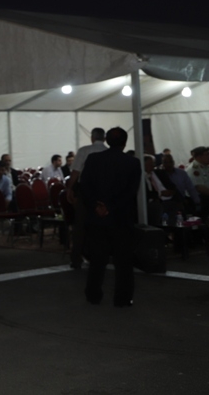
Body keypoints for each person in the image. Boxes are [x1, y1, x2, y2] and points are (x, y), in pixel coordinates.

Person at [80, 127, 141, 307]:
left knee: (97, 260)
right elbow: (130, 192)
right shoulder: (132, 162)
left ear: (107, 140)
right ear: (125, 143)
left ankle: (93, 295)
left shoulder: (93, 159)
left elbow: (85, 187)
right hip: (121, 217)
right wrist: (111, 207)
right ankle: (122, 298)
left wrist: (96, 206)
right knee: (123, 261)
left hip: (97, 218)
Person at [66, 128, 107, 269]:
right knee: (101, 226)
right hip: (104, 193)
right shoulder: (108, 152)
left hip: (85, 192)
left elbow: (75, 172)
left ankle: (76, 258)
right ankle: (100, 256)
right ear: (104, 139)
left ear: (92, 137)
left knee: (80, 226)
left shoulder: (84, 151)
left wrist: (70, 189)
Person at [188, 146, 209, 216]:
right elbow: (199, 187)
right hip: (203, 200)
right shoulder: (194, 169)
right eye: (207, 154)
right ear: (199, 157)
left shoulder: (205, 167)